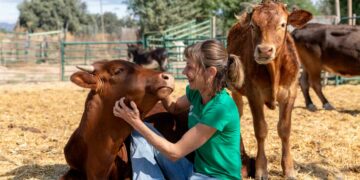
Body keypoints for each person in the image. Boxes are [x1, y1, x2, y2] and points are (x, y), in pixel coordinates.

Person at [113, 39, 244, 180]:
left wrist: (134, 120)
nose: (184, 71)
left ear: (210, 72)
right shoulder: (197, 92)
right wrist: (160, 88)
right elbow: (174, 108)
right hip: (193, 172)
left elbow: (175, 153)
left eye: (190, 67)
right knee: (140, 132)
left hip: (217, 177)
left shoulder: (221, 108)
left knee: (138, 126)